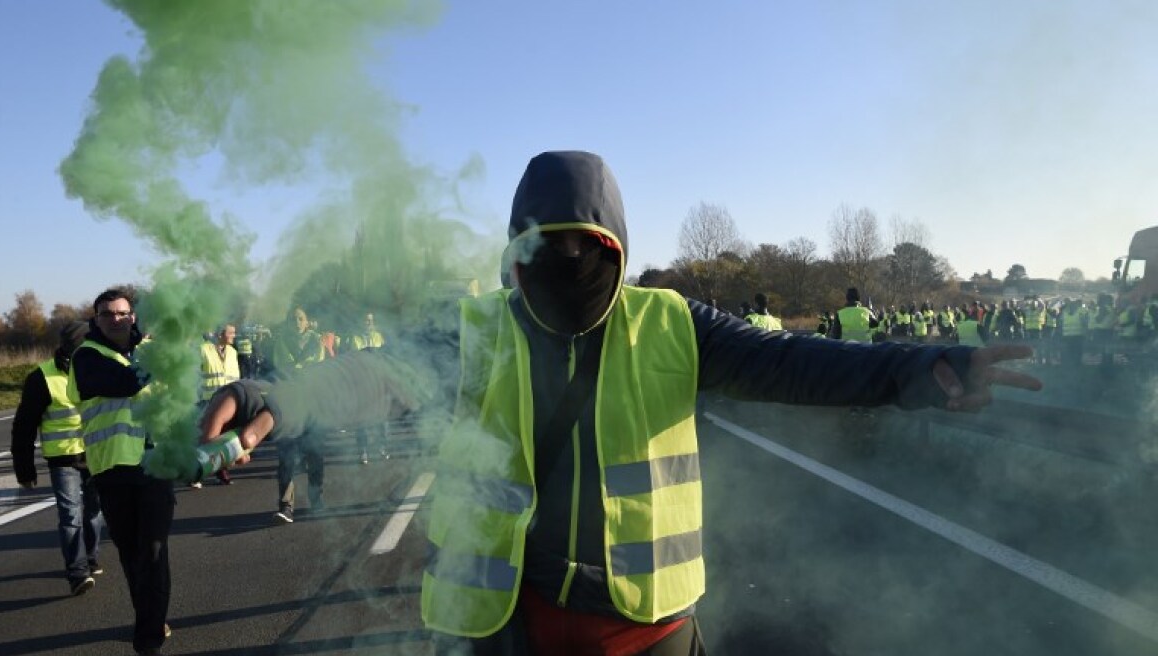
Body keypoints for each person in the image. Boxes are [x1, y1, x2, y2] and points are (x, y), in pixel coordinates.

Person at [200, 150, 1041, 655]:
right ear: (514, 254)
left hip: (646, 630)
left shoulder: (673, 323)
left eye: (586, 248)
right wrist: (275, 393)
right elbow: (377, 373)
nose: (567, 266)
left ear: (619, 249)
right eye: (545, 248)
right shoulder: (477, 328)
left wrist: (920, 369)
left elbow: (794, 364)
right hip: (505, 623)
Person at [68, 288, 173, 656]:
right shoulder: (87, 357)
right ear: (95, 319)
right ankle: (149, 616)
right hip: (113, 469)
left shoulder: (149, 350)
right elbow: (126, 383)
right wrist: (160, 355)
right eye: (108, 313)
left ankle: (148, 640)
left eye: (123, 313)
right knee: (132, 553)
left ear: (133, 316)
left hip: (156, 465)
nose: (117, 319)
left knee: (155, 551)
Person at [11, 320, 104, 596]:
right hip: (63, 459)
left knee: (95, 511)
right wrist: (24, 469)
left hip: (97, 455)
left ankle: (91, 557)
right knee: (70, 514)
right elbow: (24, 425)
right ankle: (77, 573)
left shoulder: (100, 369)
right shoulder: (41, 377)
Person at [269, 306, 326, 524]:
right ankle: (286, 506)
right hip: (289, 406)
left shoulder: (316, 342)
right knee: (286, 458)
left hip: (312, 406)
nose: (297, 322)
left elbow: (315, 367)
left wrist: (297, 368)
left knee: (315, 456)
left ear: (307, 321)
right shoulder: (280, 342)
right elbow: (281, 367)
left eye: (300, 318)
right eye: (293, 319)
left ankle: (316, 501)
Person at [196, 324, 241, 486]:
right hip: (206, 400)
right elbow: (195, 375)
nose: (234, 335)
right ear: (221, 334)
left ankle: (221, 470)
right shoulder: (203, 349)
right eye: (231, 332)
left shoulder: (233, 352)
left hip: (226, 402)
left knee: (222, 438)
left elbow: (236, 377)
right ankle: (196, 473)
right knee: (203, 437)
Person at [343, 311, 387, 464]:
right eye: (365, 320)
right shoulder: (353, 338)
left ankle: (382, 447)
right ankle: (363, 451)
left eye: (370, 320)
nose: (368, 323)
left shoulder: (379, 337)